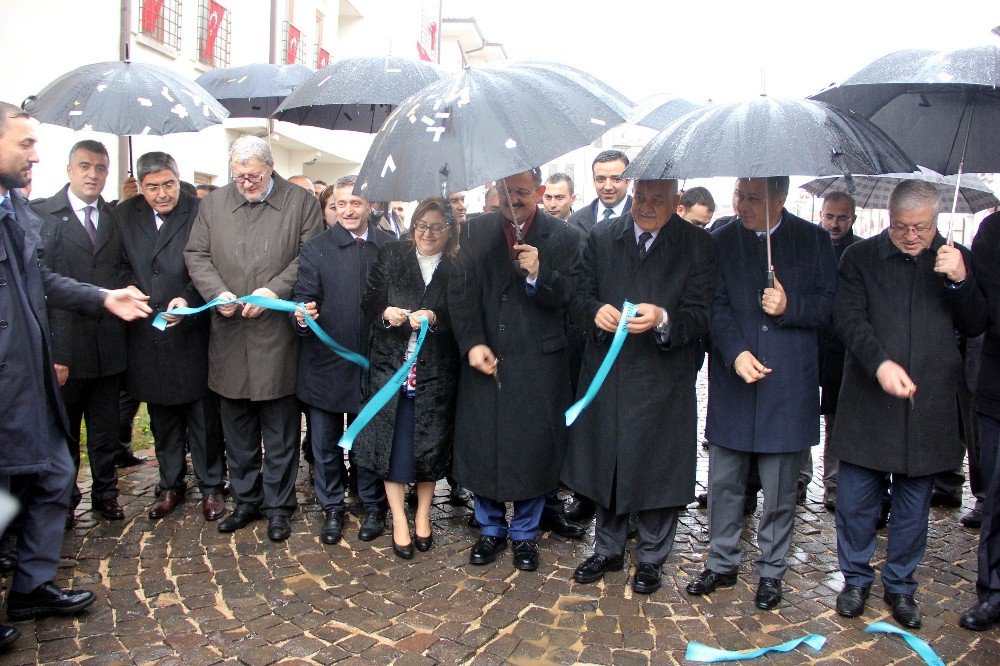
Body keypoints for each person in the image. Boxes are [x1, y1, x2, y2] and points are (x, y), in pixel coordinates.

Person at [0, 101, 151, 644]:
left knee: (57, 471)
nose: (33, 154)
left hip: (28, 375)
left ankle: (31, 586)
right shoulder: (31, 209)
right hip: (13, 378)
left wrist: (104, 296)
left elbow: (39, 279)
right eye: (24, 144)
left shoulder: (13, 212)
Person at [831, 179, 986, 628]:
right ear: (889, 219)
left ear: (935, 220)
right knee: (856, 500)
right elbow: (848, 319)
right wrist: (878, 363)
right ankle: (856, 579)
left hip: (929, 402)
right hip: (869, 398)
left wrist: (960, 281)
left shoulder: (954, 258)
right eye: (902, 227)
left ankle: (900, 585)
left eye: (920, 227)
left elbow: (975, 323)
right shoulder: (858, 258)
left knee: (914, 504)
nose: (912, 236)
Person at [686, 177, 837, 611]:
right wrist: (734, 353)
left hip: (788, 381)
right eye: (740, 196)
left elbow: (829, 305)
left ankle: (772, 569)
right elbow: (713, 304)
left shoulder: (812, 241)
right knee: (724, 480)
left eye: (754, 198)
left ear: (781, 199)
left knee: (779, 487)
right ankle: (721, 560)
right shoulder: (720, 239)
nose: (743, 205)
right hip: (735, 377)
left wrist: (791, 308)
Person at [564, 178, 717, 594]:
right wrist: (595, 312)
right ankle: (608, 548)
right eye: (642, 198)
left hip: (663, 375)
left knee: (657, 467)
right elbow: (576, 295)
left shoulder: (696, 244)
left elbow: (703, 313)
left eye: (657, 200)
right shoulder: (600, 236)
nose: (646, 207)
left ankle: (651, 556)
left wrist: (664, 317)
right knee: (608, 461)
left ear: (676, 202)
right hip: (609, 374)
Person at [184, 135, 322, 542]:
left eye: (253, 176)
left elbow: (308, 255)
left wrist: (274, 292)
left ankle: (279, 506)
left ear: (270, 167)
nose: (245, 183)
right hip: (228, 335)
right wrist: (216, 293)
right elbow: (197, 255)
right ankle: (246, 501)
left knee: (279, 432)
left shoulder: (301, 203)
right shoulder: (212, 205)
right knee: (238, 431)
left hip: (276, 338)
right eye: (238, 176)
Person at [448, 168, 580, 572]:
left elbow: (573, 298)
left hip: (537, 362)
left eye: (522, 192)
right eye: (506, 192)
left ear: (539, 192)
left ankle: (525, 534)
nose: (514, 200)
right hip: (485, 358)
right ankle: (490, 529)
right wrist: (472, 343)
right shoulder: (471, 232)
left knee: (531, 449)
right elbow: (460, 292)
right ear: (494, 190)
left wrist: (539, 274)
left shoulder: (566, 237)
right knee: (485, 444)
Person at [117, 151, 226, 522]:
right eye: (153, 188)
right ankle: (170, 484)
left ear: (179, 180)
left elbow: (213, 263)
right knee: (162, 418)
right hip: (148, 330)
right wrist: (131, 292)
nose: (162, 194)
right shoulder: (124, 215)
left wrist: (191, 299)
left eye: (169, 185)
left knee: (203, 417)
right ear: (141, 188)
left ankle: (212, 485)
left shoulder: (200, 211)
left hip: (193, 330)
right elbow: (117, 267)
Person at [353, 197, 460, 559]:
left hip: (434, 372)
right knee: (392, 443)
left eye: (436, 227)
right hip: (390, 366)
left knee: (429, 442)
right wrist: (387, 313)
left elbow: (460, 311)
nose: (427, 233)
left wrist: (435, 315)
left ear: (449, 231)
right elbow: (369, 301)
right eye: (421, 225)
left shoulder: (457, 264)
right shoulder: (393, 255)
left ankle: (423, 515)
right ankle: (399, 518)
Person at [33, 139, 135, 521]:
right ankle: (65, 497)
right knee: (66, 433)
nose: (93, 175)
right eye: (85, 166)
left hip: (108, 343)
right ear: (69, 170)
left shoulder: (115, 217)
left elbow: (123, 269)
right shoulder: (43, 215)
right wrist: (57, 353)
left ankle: (105, 492)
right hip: (67, 346)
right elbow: (45, 289)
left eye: (101, 168)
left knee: (105, 430)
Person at [293, 175, 391, 545]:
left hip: (373, 365)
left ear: (370, 206)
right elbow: (303, 297)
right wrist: (302, 316)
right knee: (325, 443)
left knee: (369, 441)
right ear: (332, 206)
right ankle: (332, 506)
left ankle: (372, 504)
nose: (348, 210)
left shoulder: (389, 246)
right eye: (340, 204)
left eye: (356, 203)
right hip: (325, 365)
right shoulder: (316, 248)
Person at [961, 210, 1000, 631]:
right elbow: (984, 314)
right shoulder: (994, 232)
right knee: (997, 498)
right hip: (997, 393)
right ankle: (993, 590)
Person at [809, 192, 860, 511]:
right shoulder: (811, 244)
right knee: (800, 407)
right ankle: (799, 477)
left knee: (835, 417)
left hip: (840, 346)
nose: (835, 223)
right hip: (810, 338)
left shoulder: (858, 251)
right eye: (830, 216)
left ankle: (834, 482)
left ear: (852, 219)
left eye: (842, 217)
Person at [567, 150, 632, 236]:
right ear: (594, 180)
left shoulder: (642, 218)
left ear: (628, 180)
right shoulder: (575, 221)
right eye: (601, 179)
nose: (607, 187)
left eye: (616, 179)